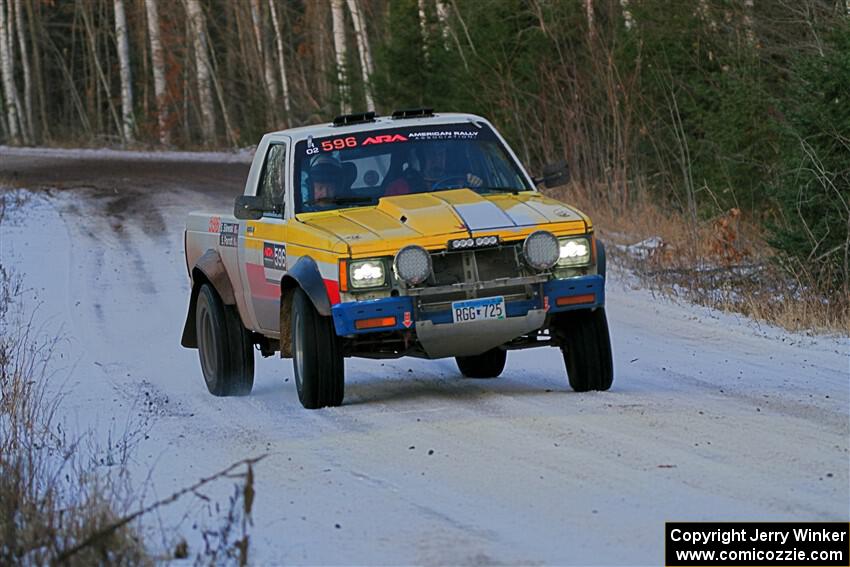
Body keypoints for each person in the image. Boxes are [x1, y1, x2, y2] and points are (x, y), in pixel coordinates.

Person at [385, 142, 483, 196]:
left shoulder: (461, 182)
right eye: (431, 154)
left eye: (440, 154)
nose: (437, 159)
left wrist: (476, 186)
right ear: (420, 158)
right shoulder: (399, 187)